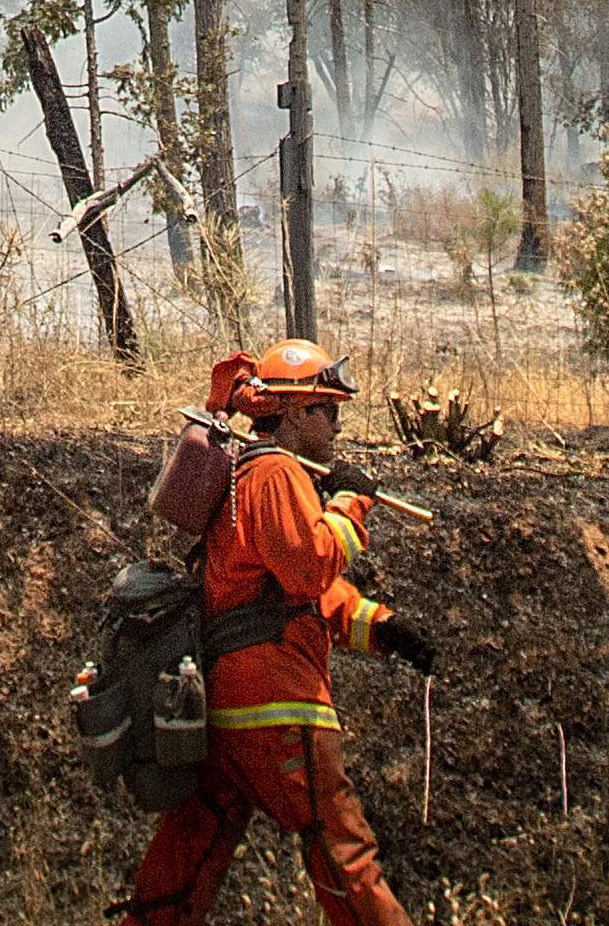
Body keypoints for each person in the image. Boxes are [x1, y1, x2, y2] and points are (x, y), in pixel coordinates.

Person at [117, 338, 431, 926]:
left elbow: (281, 593)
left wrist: (383, 628)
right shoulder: (277, 471)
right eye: (326, 411)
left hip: (222, 712)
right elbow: (310, 565)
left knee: (190, 852)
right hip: (280, 707)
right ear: (290, 413)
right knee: (342, 851)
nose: (337, 426)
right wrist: (350, 503)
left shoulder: (241, 477)